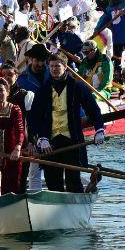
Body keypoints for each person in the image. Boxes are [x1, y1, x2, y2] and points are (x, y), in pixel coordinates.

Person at [28, 53, 106, 193]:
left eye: (57, 66)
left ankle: (73, 205)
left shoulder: (77, 87)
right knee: (52, 181)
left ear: (65, 67)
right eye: (51, 66)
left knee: (73, 181)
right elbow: (34, 117)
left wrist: (99, 129)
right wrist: (40, 138)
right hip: (49, 144)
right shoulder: (43, 90)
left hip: (73, 141)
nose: (54, 69)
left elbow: (93, 109)